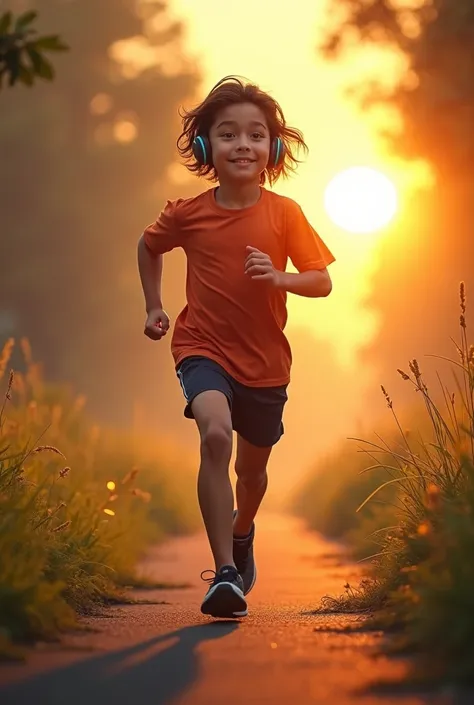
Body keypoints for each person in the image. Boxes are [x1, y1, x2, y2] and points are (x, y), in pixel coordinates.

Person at [137, 75, 335, 620]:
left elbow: (321, 280)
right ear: (205, 148)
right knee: (215, 433)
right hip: (201, 348)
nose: (242, 145)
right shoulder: (187, 213)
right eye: (227, 135)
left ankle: (242, 531)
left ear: (271, 148)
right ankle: (224, 572)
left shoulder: (285, 213)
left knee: (252, 473)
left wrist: (279, 278)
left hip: (266, 363)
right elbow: (149, 245)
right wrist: (154, 306)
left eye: (255, 135)